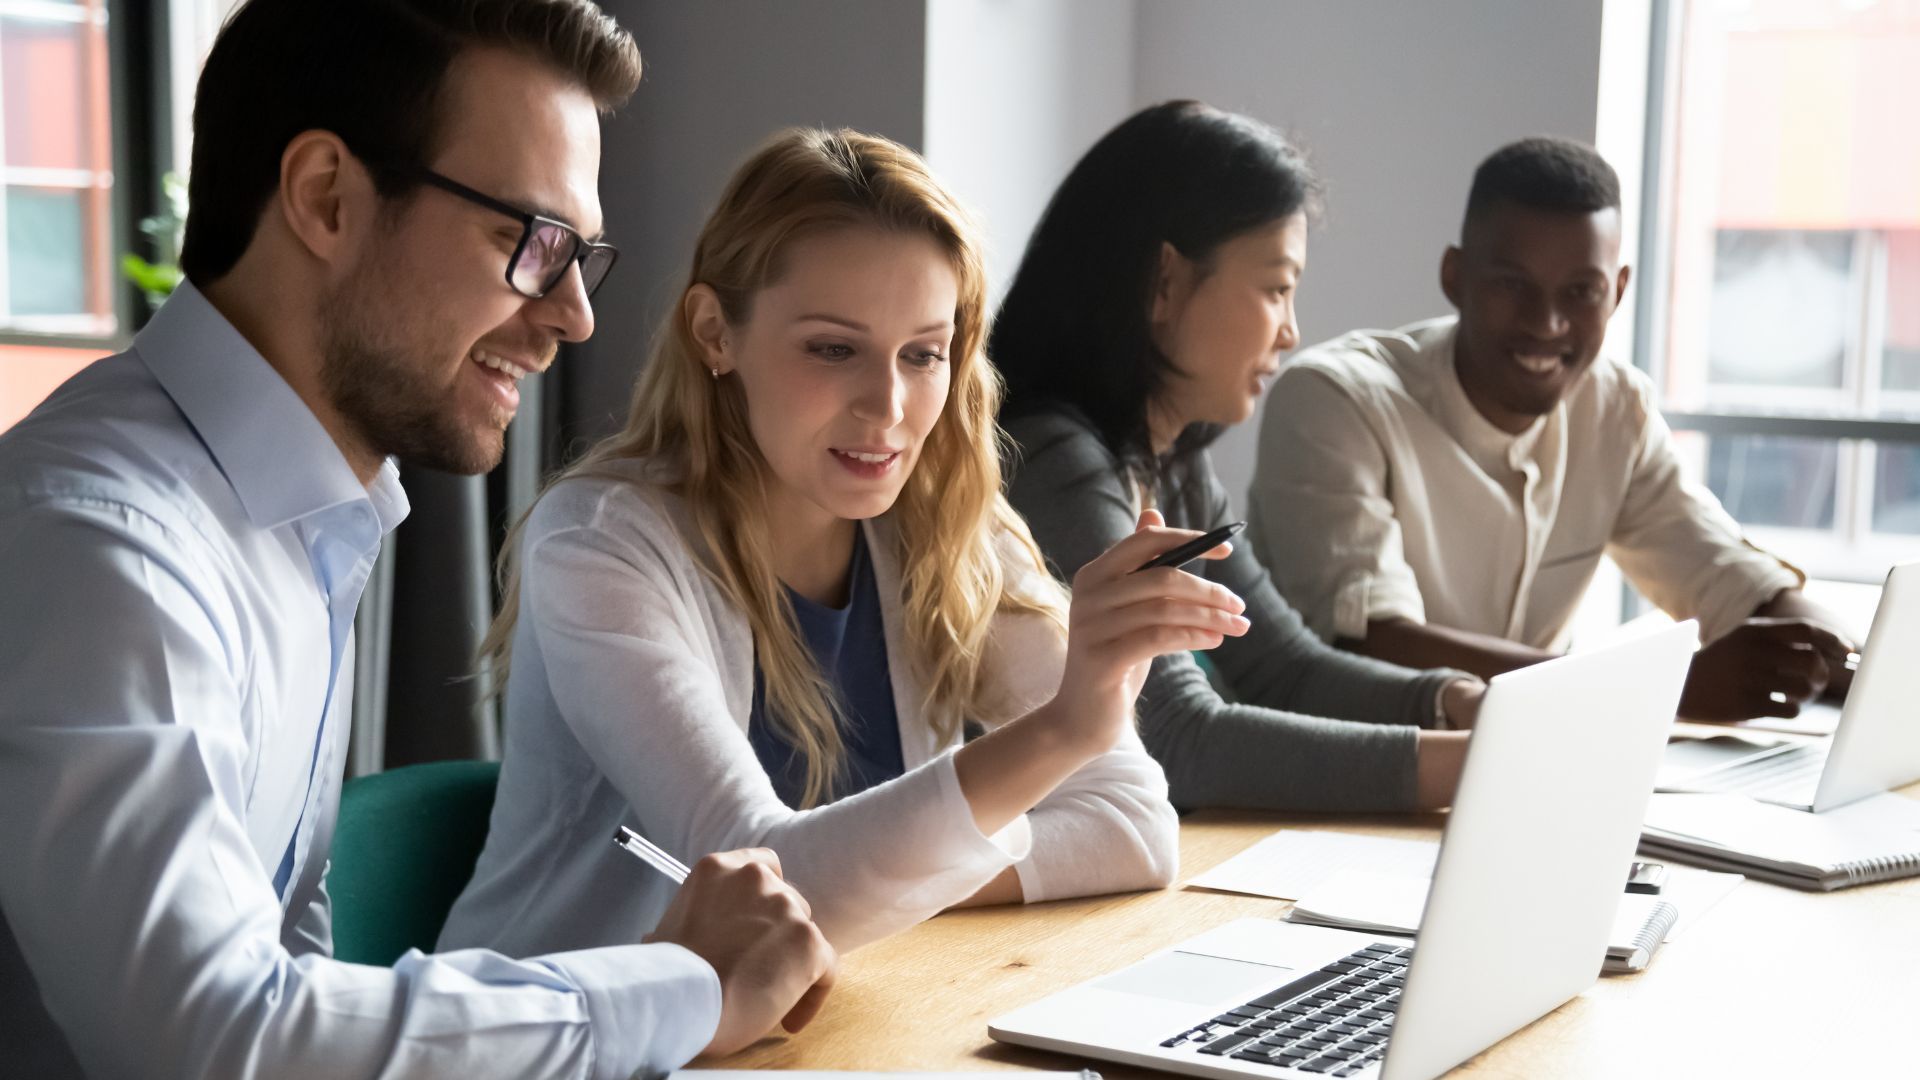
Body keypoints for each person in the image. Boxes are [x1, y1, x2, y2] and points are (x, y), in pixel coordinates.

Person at [0, 3, 834, 1077]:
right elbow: (211, 1036)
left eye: (583, 255)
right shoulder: (106, 551)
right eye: (529, 242)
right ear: (326, 198)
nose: (574, 314)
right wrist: (685, 989)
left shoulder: (300, 511)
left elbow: (288, 956)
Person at [436, 128, 1216, 961]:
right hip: (574, 1039)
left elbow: (1134, 827)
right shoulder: (600, 547)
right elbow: (763, 878)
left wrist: (878, 889)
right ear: (714, 333)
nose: (886, 407)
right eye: (834, 349)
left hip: (817, 1021)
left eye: (923, 354)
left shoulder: (946, 521)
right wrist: (1062, 731)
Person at [1249, 135, 1855, 722]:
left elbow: (1733, 582)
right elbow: (1371, 644)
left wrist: (1842, 659)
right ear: (1455, 277)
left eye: (1582, 292)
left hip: (1536, 771)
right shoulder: (1336, 400)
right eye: (1513, 285)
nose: (1547, 322)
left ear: (1617, 292)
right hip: (1349, 785)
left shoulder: (1615, 407)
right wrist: (1662, 689)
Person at [993, 101, 1482, 814]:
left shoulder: (1173, 463)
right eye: (1277, 289)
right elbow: (1179, 740)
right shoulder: (1051, 462)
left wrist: (1450, 699)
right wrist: (1467, 768)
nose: (1290, 332)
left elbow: (1284, 668)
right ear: (1164, 283)